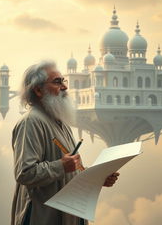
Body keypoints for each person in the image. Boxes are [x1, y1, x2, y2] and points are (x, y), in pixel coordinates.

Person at [11, 60, 119, 225]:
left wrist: (98, 178)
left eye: (63, 81)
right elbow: (25, 173)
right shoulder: (31, 122)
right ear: (38, 90)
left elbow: (72, 169)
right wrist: (61, 166)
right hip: (43, 217)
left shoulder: (60, 123)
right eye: (57, 82)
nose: (65, 87)